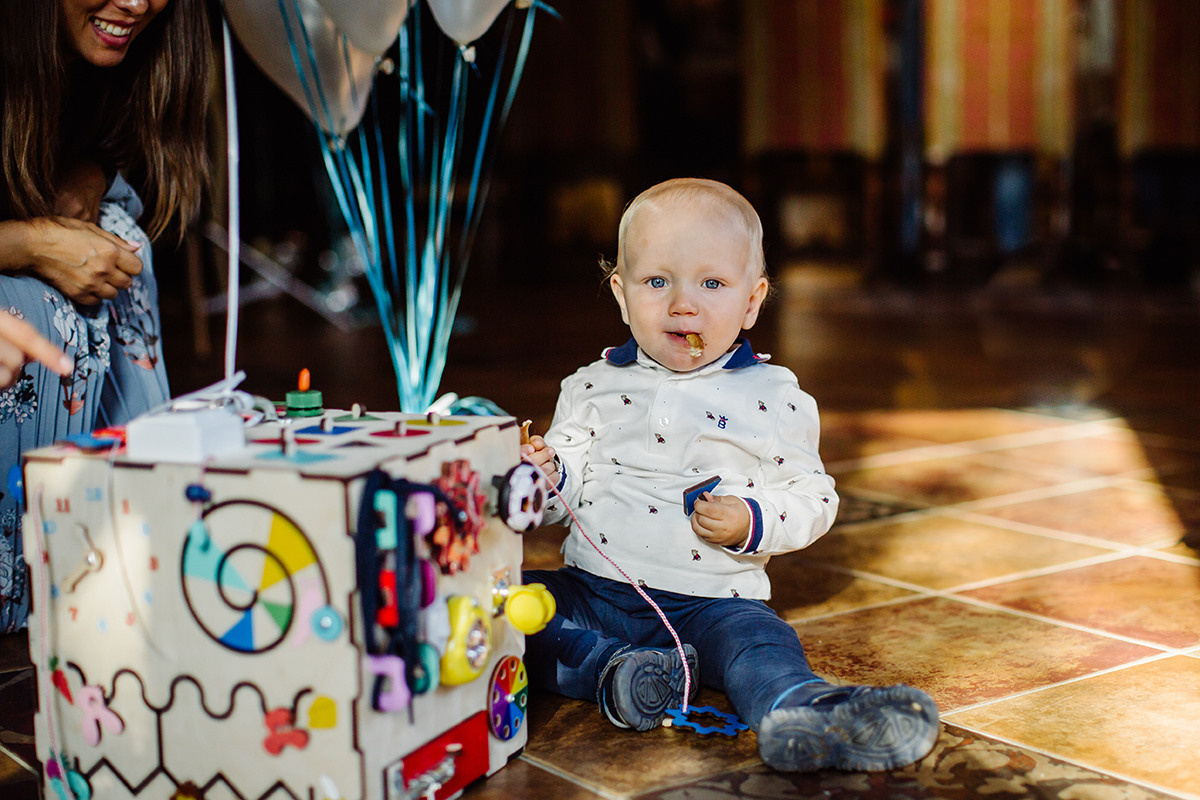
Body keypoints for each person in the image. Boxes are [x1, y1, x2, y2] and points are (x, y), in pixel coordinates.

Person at [521, 178, 939, 772]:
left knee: (760, 645)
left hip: (714, 603)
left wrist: (753, 518)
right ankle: (618, 673)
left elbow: (813, 496)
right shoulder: (590, 386)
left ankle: (801, 709)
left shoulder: (773, 395)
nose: (682, 304)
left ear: (752, 300)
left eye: (712, 284)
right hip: (593, 592)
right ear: (621, 293)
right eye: (657, 282)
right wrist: (545, 475)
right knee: (514, 607)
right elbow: (565, 496)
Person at [0, 0, 212, 631]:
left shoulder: (126, 66)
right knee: (34, 305)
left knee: (120, 237)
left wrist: (94, 172)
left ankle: (130, 544)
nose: (139, 1)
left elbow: (138, 154)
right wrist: (34, 241)